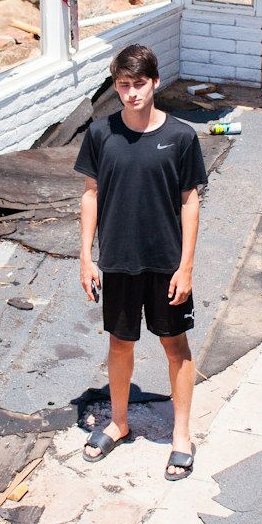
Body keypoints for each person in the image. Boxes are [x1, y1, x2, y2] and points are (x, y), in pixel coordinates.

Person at [75, 43, 207, 480]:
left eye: (138, 84)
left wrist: (186, 266)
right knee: (119, 343)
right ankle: (118, 422)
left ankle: (182, 436)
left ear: (154, 82)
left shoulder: (182, 137)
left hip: (166, 262)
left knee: (176, 348)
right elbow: (91, 195)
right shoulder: (100, 134)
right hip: (117, 261)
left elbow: (190, 201)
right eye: (123, 85)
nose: (131, 93)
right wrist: (86, 257)